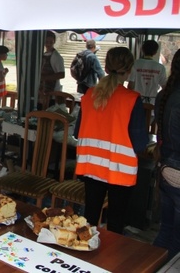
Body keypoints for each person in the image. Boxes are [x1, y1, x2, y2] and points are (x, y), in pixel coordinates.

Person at [74, 46, 148, 234]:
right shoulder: (132, 99)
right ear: (130, 70)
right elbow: (139, 143)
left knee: (89, 218)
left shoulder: (89, 95)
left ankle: (84, 252)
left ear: (105, 68)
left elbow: (77, 132)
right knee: (115, 222)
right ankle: (109, 261)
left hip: (90, 167)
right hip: (119, 171)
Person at [153, 49, 180, 260]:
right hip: (177, 167)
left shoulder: (165, 94)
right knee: (176, 236)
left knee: (165, 228)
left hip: (165, 166)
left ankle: (151, 264)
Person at [128, 39, 167, 104]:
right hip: (153, 101)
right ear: (155, 52)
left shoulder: (135, 64)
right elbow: (164, 87)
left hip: (137, 100)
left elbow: (130, 86)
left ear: (142, 50)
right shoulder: (160, 67)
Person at [38, 31, 65, 107]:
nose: (49, 44)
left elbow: (61, 74)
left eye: (51, 42)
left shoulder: (56, 57)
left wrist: (44, 78)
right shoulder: (43, 55)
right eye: (46, 42)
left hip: (52, 92)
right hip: (42, 91)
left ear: (54, 42)